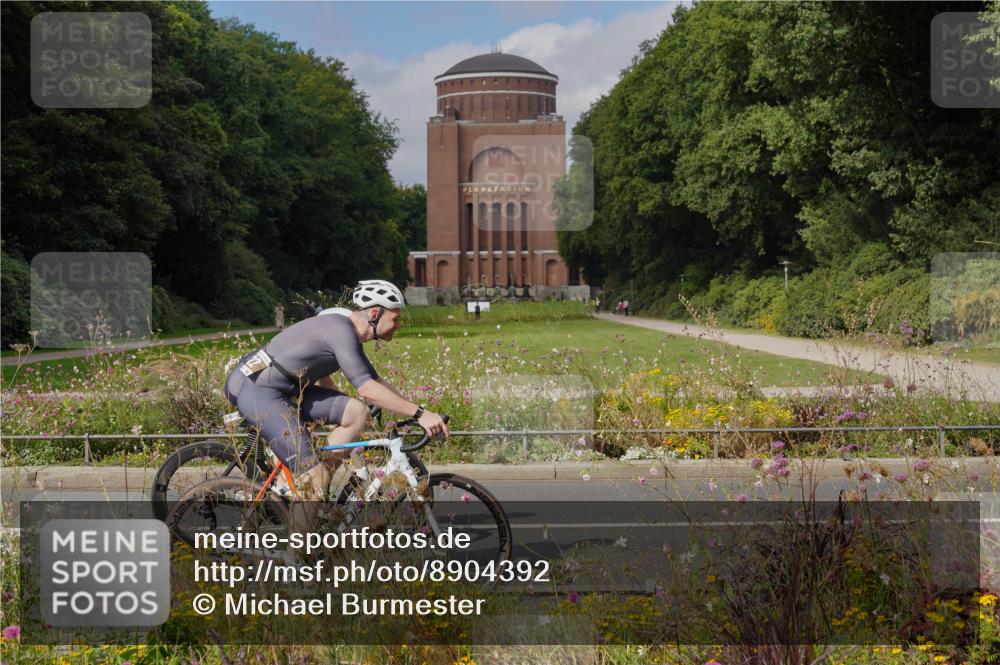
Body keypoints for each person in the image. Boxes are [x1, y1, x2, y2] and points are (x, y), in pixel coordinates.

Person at [223, 279, 449, 521]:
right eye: (395, 318)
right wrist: (420, 415)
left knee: (356, 413)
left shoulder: (348, 335)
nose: (399, 324)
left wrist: (418, 410)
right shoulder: (340, 331)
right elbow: (368, 389)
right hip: (256, 390)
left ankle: (315, 487)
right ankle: (296, 554)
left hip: (284, 390)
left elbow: (375, 382)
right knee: (314, 478)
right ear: (375, 313)